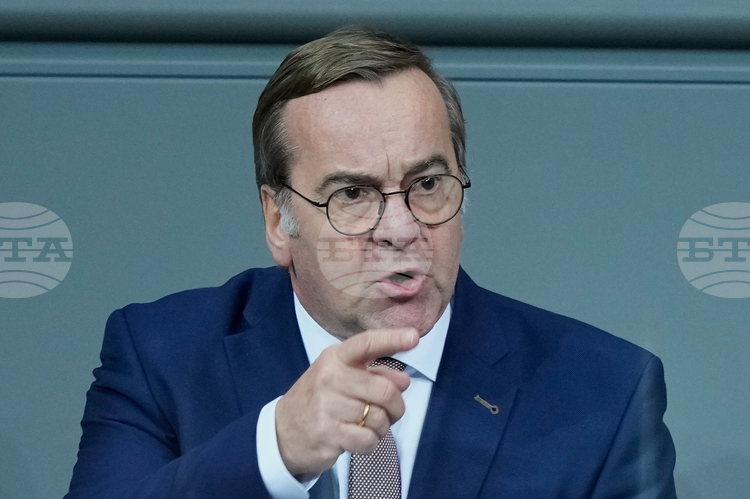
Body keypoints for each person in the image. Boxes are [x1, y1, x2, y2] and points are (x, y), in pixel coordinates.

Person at [65, 27, 677, 499]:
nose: (403, 230)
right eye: (352, 194)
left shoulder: (605, 393)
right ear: (278, 220)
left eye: (428, 184)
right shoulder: (163, 356)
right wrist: (274, 450)